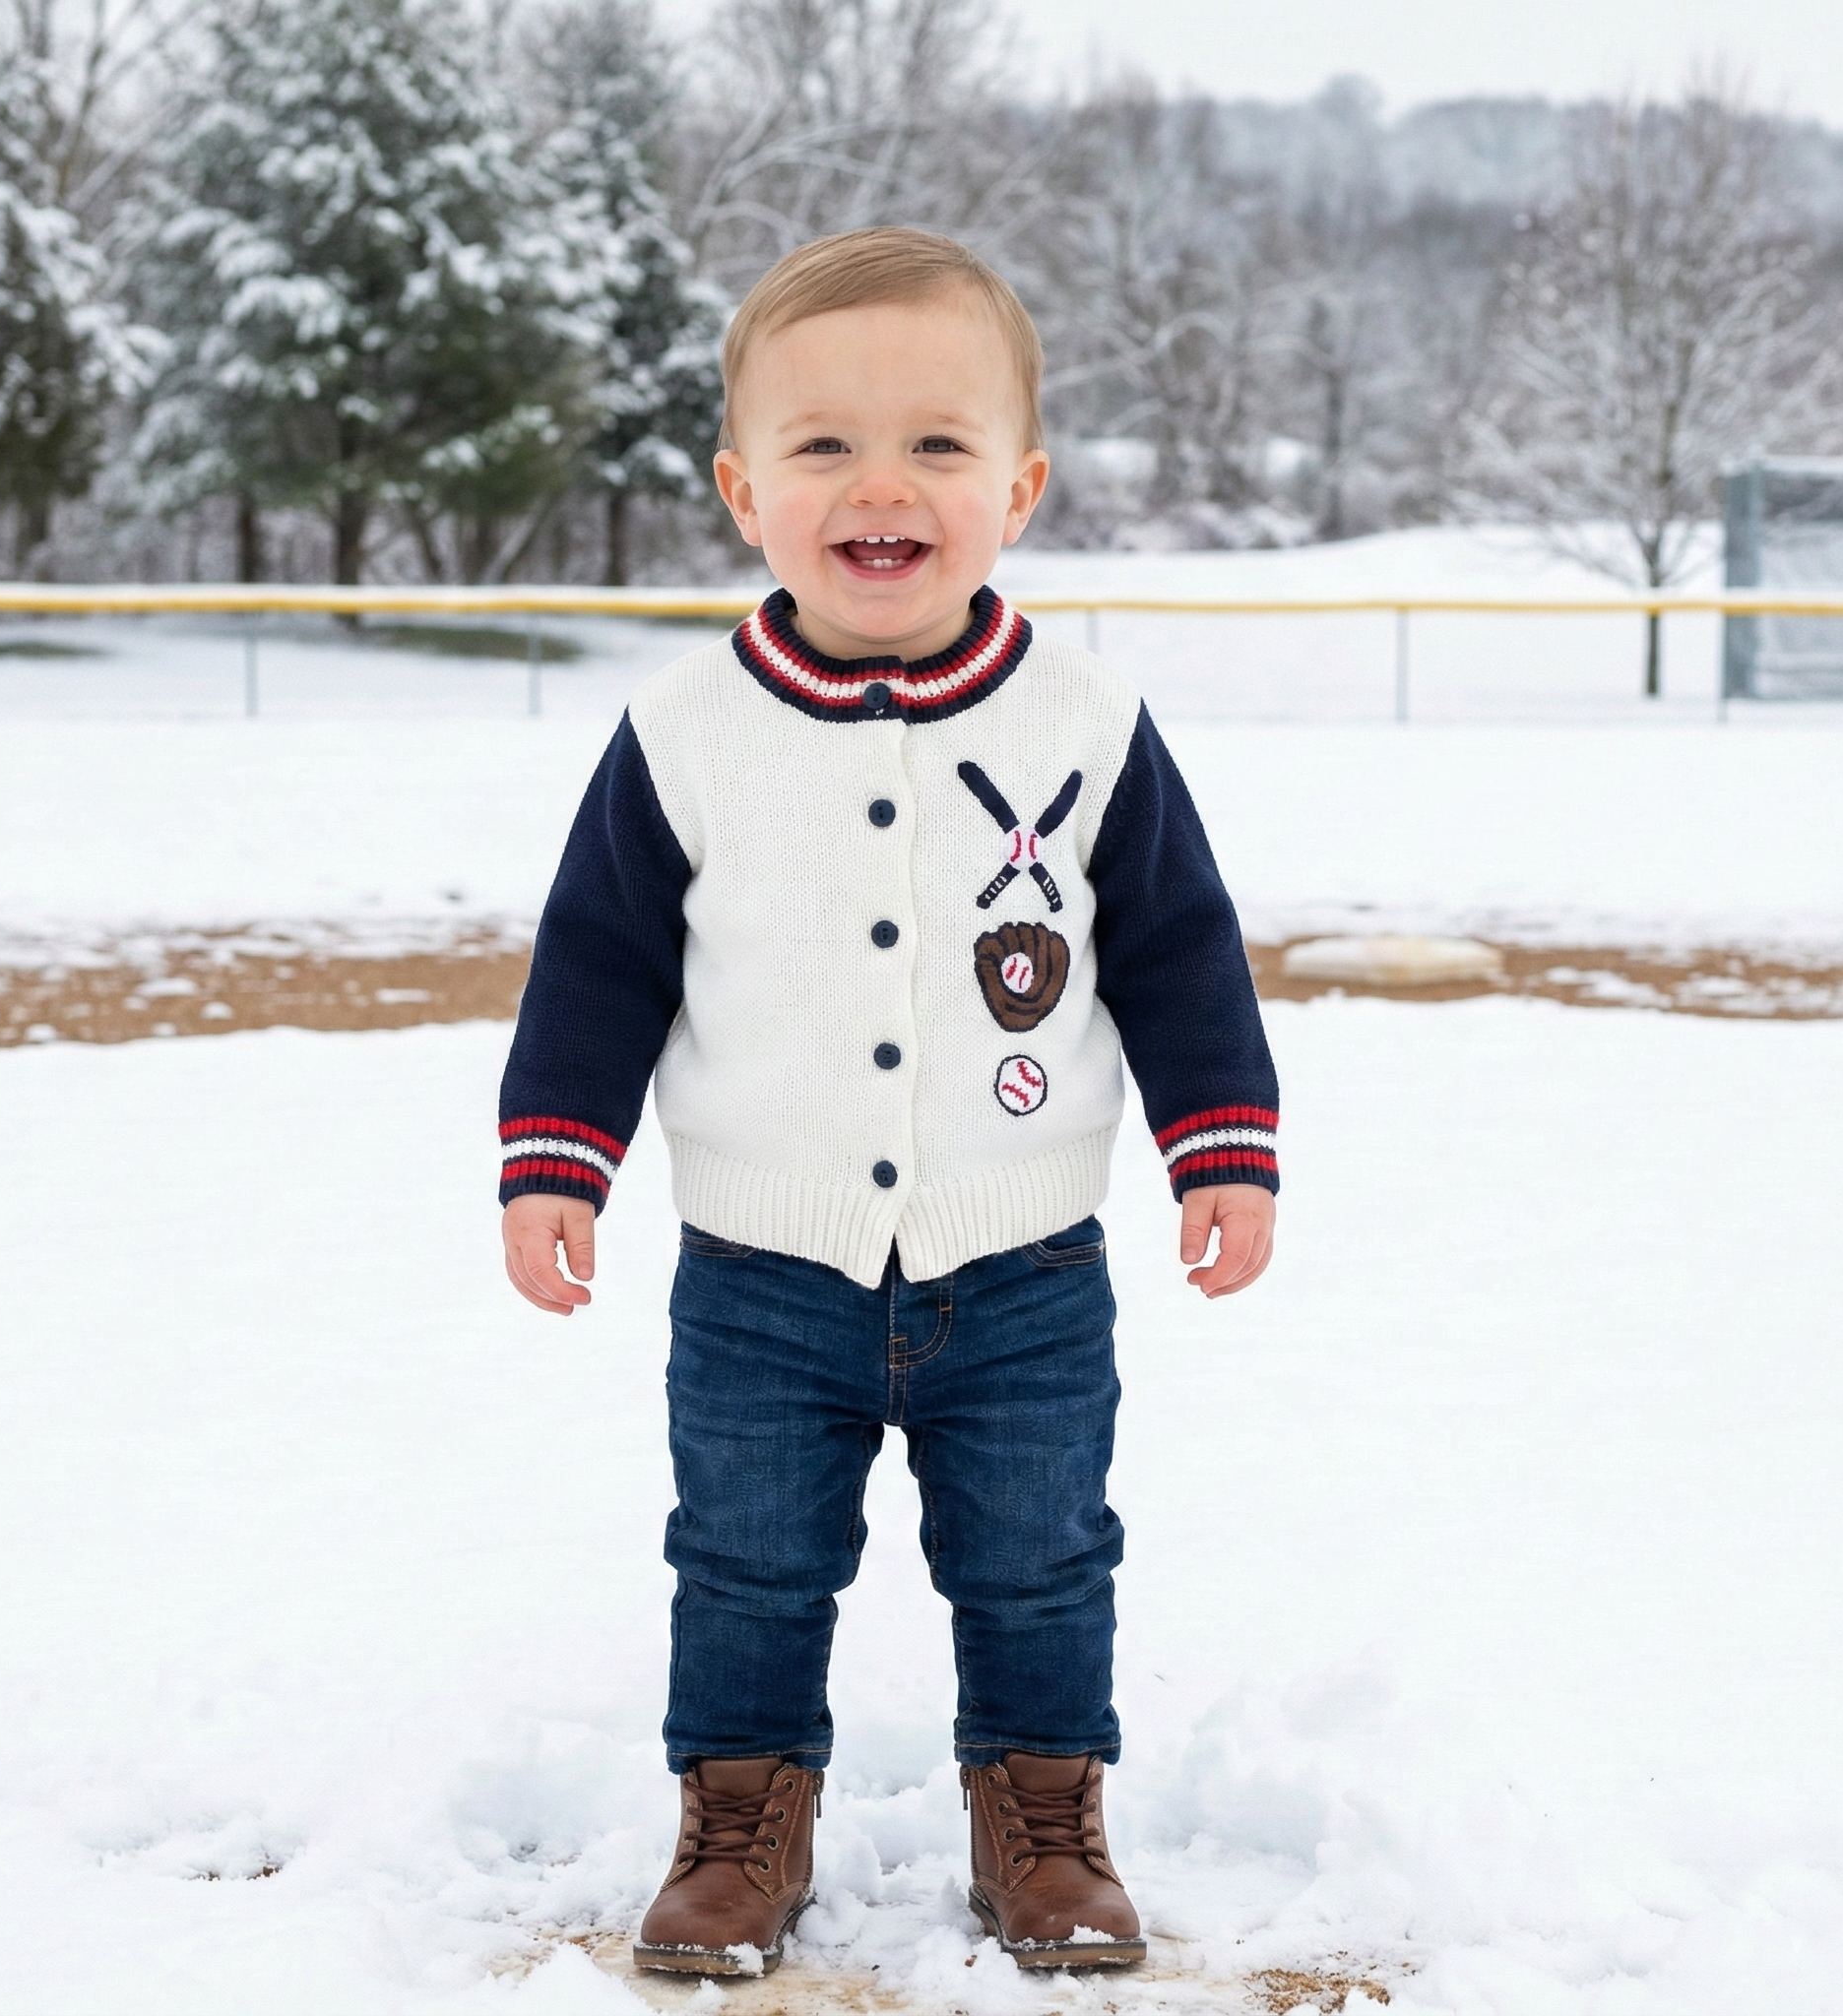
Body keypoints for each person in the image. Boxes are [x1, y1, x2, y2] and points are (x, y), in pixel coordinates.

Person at [497, 227, 1279, 1979]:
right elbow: (600, 961)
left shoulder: (1089, 725)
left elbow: (1176, 950)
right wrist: (558, 1163)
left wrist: (1219, 1145)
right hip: (763, 1274)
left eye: (937, 445)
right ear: (740, 489)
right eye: (823, 446)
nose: (882, 486)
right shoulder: (686, 733)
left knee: (1041, 1563)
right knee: (750, 1565)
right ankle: (740, 1822)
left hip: (1027, 1268)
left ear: (1021, 484)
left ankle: (1044, 1815)